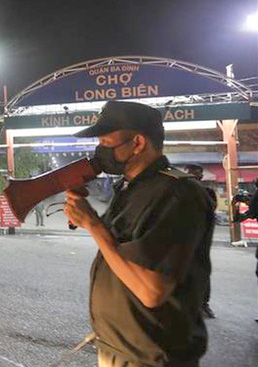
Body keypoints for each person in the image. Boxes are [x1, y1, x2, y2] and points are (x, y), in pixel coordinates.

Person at [64, 101, 215, 367]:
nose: (99, 149)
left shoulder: (178, 194)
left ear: (137, 143)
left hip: (150, 358)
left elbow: (152, 291)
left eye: (106, 141)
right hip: (120, 350)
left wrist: (95, 226)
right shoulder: (131, 187)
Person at [183, 164, 217, 319]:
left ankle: (204, 304)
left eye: (195, 174)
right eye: (189, 173)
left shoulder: (208, 192)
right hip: (182, 239)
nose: (192, 176)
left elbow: (210, 211)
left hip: (201, 238)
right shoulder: (179, 192)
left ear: (201, 177)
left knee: (202, 270)